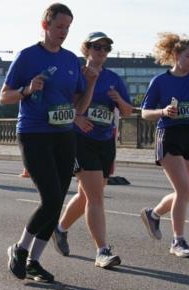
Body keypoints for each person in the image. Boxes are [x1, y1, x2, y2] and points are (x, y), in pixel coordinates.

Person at [0, 3, 97, 283]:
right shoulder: (27, 57)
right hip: (34, 133)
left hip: (64, 135)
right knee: (51, 198)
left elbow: (79, 104)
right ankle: (19, 249)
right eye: (59, 27)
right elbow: (4, 97)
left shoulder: (70, 60)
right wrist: (27, 89)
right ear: (45, 26)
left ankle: (34, 261)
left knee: (57, 201)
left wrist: (90, 83)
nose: (63, 33)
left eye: (67, 28)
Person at [51, 32, 134, 269]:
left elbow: (128, 112)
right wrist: (76, 119)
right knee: (96, 196)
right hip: (80, 141)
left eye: (106, 48)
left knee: (88, 194)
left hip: (105, 141)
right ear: (86, 49)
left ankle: (60, 228)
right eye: (97, 47)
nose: (101, 51)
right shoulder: (76, 74)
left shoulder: (114, 79)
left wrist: (118, 99)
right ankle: (102, 250)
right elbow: (63, 104)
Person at [139, 33, 189, 257]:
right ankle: (178, 241)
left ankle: (153, 214)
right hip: (169, 135)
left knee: (185, 193)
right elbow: (145, 113)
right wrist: (164, 112)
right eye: (188, 56)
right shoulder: (160, 81)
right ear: (176, 55)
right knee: (183, 189)